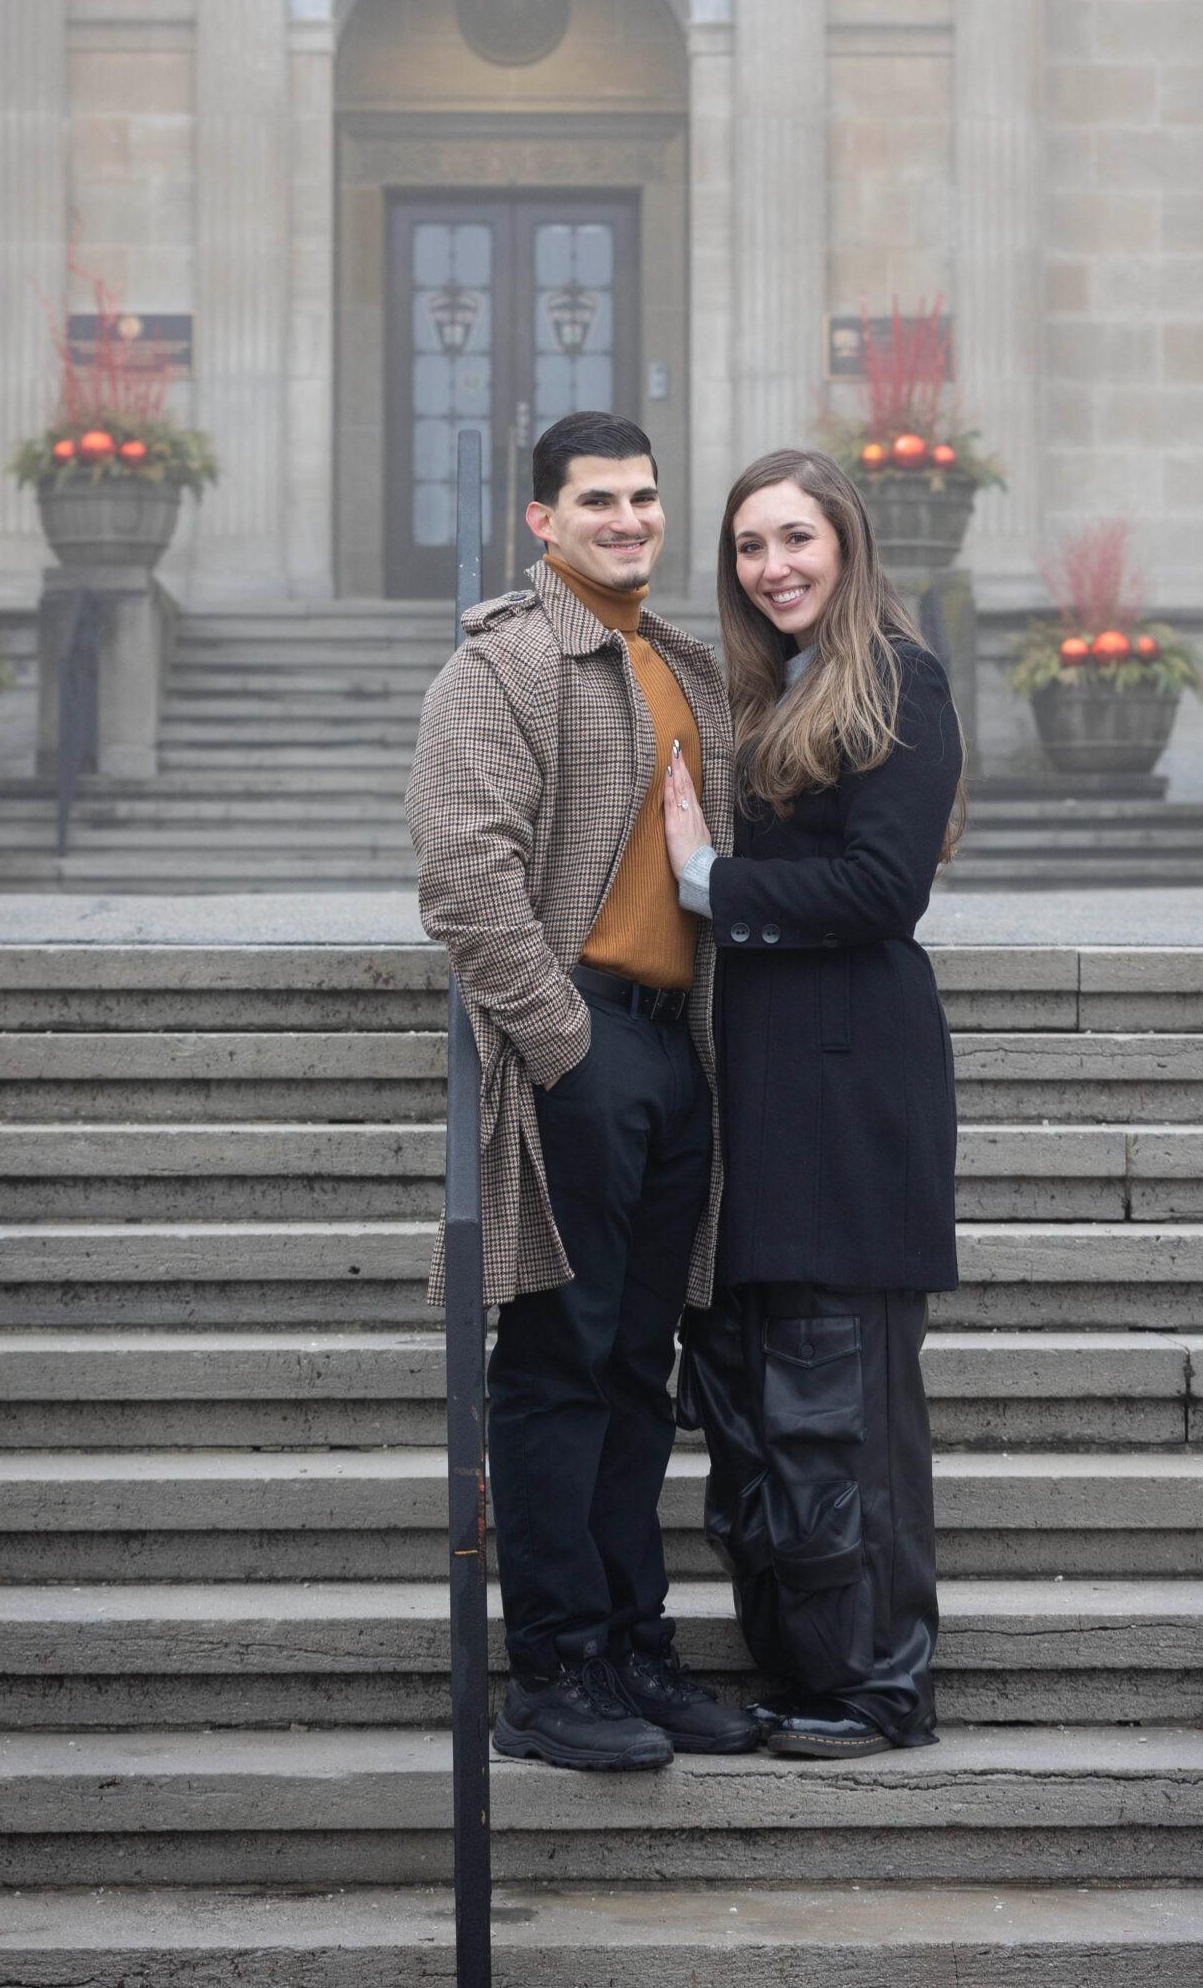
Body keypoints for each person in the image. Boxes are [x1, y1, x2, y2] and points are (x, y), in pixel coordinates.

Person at [407, 411, 758, 1771]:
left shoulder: (680, 667)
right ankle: (552, 1672)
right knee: (559, 1369)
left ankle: (633, 1651)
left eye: (647, 499)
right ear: (542, 521)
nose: (630, 520)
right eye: (598, 500)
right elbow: (462, 878)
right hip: (582, 1047)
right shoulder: (503, 667)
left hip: (680, 1054)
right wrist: (568, 1044)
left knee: (635, 1369)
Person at [662, 447, 964, 1758]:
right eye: (747, 545)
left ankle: (881, 1687)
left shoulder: (901, 678)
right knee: (756, 1408)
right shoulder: (753, 689)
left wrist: (709, 882)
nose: (772, 566)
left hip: (852, 1092)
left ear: (845, 543)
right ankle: (801, 1666)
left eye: (795, 538)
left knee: (844, 1409)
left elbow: (884, 891)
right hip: (756, 1097)